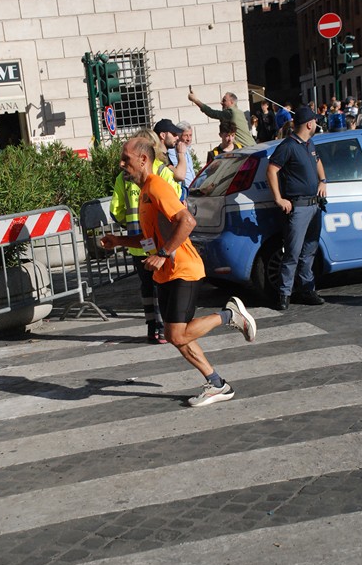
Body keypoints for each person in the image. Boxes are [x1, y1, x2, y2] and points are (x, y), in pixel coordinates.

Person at [101, 137, 257, 407]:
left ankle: (230, 315)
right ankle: (217, 384)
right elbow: (150, 241)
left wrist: (162, 256)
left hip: (183, 269)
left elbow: (187, 221)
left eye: (126, 159)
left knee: (176, 334)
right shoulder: (144, 193)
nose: (121, 164)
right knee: (178, 335)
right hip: (167, 273)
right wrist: (118, 241)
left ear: (143, 160)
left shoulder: (157, 187)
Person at [110, 128, 182, 345]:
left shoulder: (123, 178)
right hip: (160, 242)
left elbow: (116, 209)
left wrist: (131, 222)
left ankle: (152, 329)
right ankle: (165, 328)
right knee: (161, 284)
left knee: (146, 286)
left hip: (137, 241)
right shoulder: (162, 172)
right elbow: (176, 201)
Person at [266, 106, 327, 311]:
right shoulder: (288, 146)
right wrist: (278, 199)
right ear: (309, 124)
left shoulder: (309, 144)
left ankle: (307, 290)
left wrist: (323, 181)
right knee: (292, 252)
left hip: (314, 205)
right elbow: (272, 170)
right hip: (298, 207)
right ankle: (284, 294)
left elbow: (318, 161)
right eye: (315, 121)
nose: (316, 124)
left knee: (309, 251)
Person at [188, 89, 255, 148]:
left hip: (247, 150)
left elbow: (211, 112)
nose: (221, 103)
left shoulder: (230, 113)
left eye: (224, 100)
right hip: (252, 146)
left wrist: (195, 100)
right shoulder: (240, 112)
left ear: (231, 102)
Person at [153, 119, 187, 187]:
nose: (177, 137)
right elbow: (180, 176)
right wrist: (181, 153)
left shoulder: (164, 155)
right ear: (163, 135)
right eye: (174, 134)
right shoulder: (158, 156)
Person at [168, 120, 196, 201]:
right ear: (178, 136)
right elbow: (178, 173)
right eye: (186, 136)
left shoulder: (187, 151)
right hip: (182, 193)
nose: (189, 139)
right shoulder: (173, 152)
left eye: (190, 135)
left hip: (191, 191)